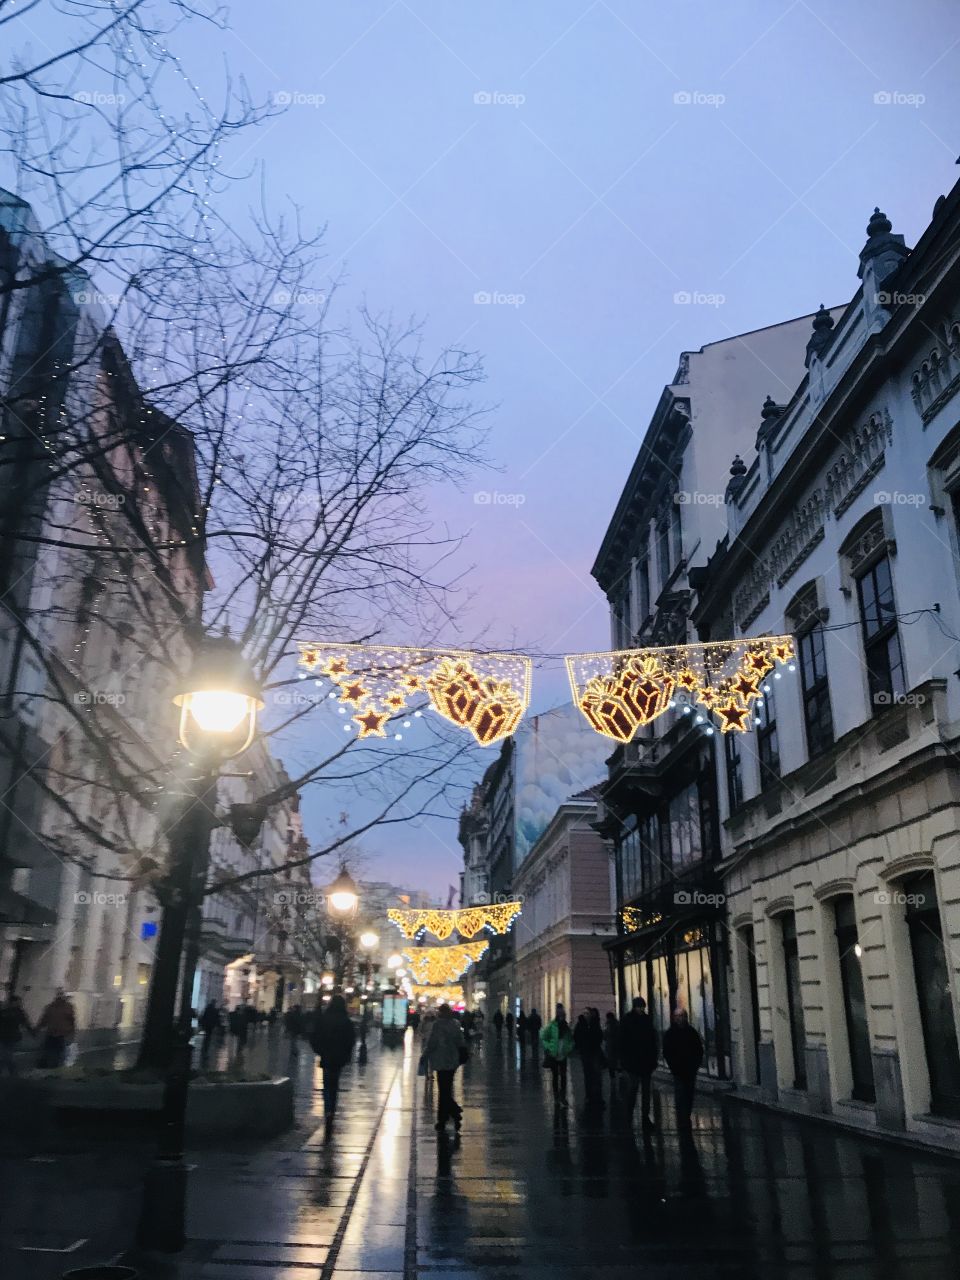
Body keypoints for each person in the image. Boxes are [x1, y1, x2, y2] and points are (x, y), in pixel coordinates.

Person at [311, 994, 356, 1140]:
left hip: (326, 1056)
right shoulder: (346, 1021)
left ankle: (328, 1110)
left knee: (326, 1085)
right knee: (334, 1085)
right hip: (339, 1058)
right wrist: (346, 1054)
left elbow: (314, 1036)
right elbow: (351, 1040)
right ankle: (332, 1111)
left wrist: (320, 1050)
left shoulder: (324, 1019)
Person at [425, 1002, 466, 1134]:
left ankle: (450, 1115)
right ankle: (449, 1116)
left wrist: (425, 1055)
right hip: (452, 1061)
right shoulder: (455, 1024)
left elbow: (432, 1042)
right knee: (446, 1090)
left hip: (441, 1061)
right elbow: (461, 1041)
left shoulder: (438, 1025)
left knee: (444, 1091)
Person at [620, 996, 659, 1130]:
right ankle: (629, 1116)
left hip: (646, 1062)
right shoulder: (627, 1020)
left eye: (642, 1006)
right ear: (635, 1007)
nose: (641, 1009)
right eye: (639, 1006)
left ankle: (644, 1117)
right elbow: (622, 1042)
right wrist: (624, 1061)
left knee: (646, 1092)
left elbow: (653, 1040)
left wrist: (654, 1059)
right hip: (633, 1062)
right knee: (634, 1088)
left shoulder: (647, 1020)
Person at [662, 1008, 704, 1128]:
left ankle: (686, 1116)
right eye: (677, 1016)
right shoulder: (670, 1033)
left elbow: (699, 1050)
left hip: (690, 1069)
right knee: (680, 1093)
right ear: (674, 1018)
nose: (680, 1019)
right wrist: (672, 1066)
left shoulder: (691, 1032)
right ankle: (682, 1117)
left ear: (685, 1017)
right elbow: (667, 1051)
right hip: (678, 1069)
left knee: (689, 1093)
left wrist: (696, 1064)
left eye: (682, 1016)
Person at [541, 1005, 574, 1106]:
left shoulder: (566, 1027)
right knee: (555, 1077)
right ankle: (556, 1097)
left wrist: (568, 1049)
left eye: (562, 1013)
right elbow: (543, 1036)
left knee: (563, 1077)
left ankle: (563, 1097)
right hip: (554, 1055)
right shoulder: (552, 1025)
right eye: (559, 1013)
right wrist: (548, 1047)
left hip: (563, 1055)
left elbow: (570, 1040)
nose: (561, 1015)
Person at [36, 989, 76, 1068]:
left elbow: (44, 1020)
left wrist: (37, 1029)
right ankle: (54, 1066)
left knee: (49, 1050)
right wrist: (72, 1031)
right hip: (61, 1033)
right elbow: (72, 1020)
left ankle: (47, 1065)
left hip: (53, 1032)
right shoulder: (67, 1007)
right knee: (58, 1052)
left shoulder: (50, 1007)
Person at [574, 1008, 605, 1107]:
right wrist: (580, 1047)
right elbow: (576, 1037)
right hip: (585, 1053)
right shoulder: (580, 1024)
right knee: (588, 1076)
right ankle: (589, 1096)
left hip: (595, 1052)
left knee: (597, 1076)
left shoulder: (595, 1023)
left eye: (587, 1013)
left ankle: (598, 1097)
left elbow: (599, 1035)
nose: (586, 1015)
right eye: (584, 1013)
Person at [0, 992, 33, 1076]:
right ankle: (13, 1074)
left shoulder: (7, 1011)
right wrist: (32, 1032)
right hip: (9, 1037)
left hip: (8, 1037)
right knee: (6, 1056)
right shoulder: (17, 1012)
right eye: (18, 1002)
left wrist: (32, 1032)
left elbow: (26, 1023)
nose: (19, 1004)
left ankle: (13, 1074)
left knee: (6, 1056)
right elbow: (26, 1024)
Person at [199, 1000, 221, 1066]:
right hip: (211, 1026)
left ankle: (204, 1048)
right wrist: (218, 1025)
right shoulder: (214, 1010)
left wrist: (202, 1025)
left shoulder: (207, 1009)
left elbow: (203, 1017)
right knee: (208, 1037)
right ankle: (205, 1049)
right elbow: (217, 1018)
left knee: (207, 1037)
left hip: (206, 1025)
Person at [603, 1010, 620, 1087]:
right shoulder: (617, 1024)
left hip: (610, 1047)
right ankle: (618, 1075)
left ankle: (613, 1079)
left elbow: (605, 1036)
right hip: (616, 1047)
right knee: (616, 1062)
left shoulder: (608, 1025)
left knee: (611, 1064)